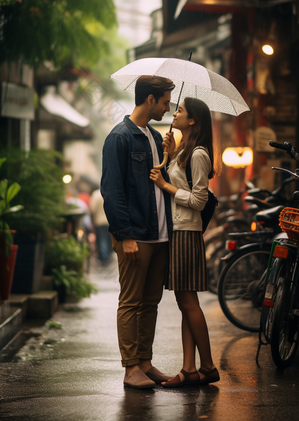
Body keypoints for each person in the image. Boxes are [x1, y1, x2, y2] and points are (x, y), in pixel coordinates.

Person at [101, 75, 175, 389]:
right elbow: (112, 190)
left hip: (159, 234)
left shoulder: (156, 137)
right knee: (130, 301)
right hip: (136, 234)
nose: (168, 107)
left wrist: (170, 153)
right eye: (165, 101)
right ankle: (131, 366)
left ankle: (145, 362)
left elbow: (162, 181)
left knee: (151, 302)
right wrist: (125, 234)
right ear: (150, 100)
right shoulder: (119, 137)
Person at [149, 97, 220, 387]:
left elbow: (200, 200)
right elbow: (182, 183)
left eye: (180, 111)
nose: (174, 113)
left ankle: (208, 366)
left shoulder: (200, 154)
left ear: (193, 121)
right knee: (184, 302)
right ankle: (189, 368)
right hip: (179, 231)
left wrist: (165, 185)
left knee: (189, 302)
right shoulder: (185, 151)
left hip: (187, 233)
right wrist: (170, 154)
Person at [89, 188, 113, 265]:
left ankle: (104, 257)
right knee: (109, 239)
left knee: (102, 239)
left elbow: (92, 209)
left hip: (99, 221)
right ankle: (108, 255)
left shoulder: (95, 194)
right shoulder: (110, 192)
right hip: (109, 221)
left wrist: (92, 222)